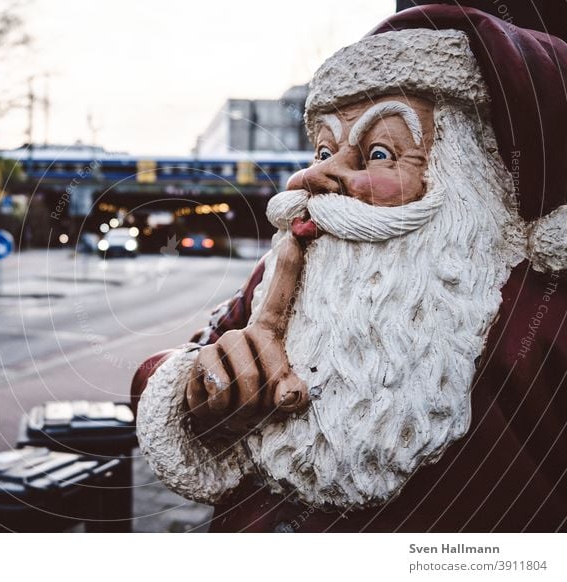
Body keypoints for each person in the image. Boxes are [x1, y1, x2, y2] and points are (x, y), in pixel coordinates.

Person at [133, 5, 567, 532]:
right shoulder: (291, 267)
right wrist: (198, 382)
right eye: (322, 148)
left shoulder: (541, 312)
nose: (315, 176)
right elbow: (173, 364)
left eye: (380, 152)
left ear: (474, 173)